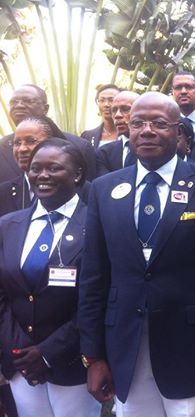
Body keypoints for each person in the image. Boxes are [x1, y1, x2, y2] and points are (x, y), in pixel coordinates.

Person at [78, 92, 195, 417]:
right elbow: (93, 277)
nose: (146, 131)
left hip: (193, 349)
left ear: (178, 131)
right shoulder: (104, 189)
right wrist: (93, 355)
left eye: (158, 123)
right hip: (126, 349)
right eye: (137, 123)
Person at [0, 138, 100, 417]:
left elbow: (97, 299)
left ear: (77, 174)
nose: (42, 175)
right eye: (36, 168)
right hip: (20, 363)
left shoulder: (97, 224)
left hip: (72, 363)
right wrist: (19, 349)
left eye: (54, 168)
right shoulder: (7, 225)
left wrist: (47, 352)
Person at [0, 84, 96, 182]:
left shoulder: (80, 147)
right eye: (13, 102)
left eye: (28, 101)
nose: (19, 105)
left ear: (45, 109)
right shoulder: (2, 146)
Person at [0, 117, 90, 217]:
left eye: (31, 141)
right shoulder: (3, 193)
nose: (22, 149)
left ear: (52, 142)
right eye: (17, 143)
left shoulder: (89, 192)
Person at [95, 91, 139, 177]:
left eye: (126, 109)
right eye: (114, 110)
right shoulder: (104, 153)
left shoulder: (158, 150)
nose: (117, 115)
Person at [80, 84, 122, 148]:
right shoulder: (87, 136)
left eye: (111, 100)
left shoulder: (130, 134)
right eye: (102, 100)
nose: (106, 104)